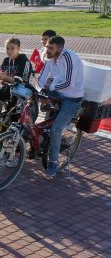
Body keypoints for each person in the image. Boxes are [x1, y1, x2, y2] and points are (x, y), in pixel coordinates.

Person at [38, 36, 84, 177]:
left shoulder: (69, 57)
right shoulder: (50, 58)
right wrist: (40, 90)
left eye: (50, 48)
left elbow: (69, 83)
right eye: (46, 47)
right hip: (58, 92)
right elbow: (41, 79)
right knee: (31, 96)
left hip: (72, 97)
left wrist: (49, 87)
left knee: (56, 128)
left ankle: (53, 162)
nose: (47, 50)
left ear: (59, 48)